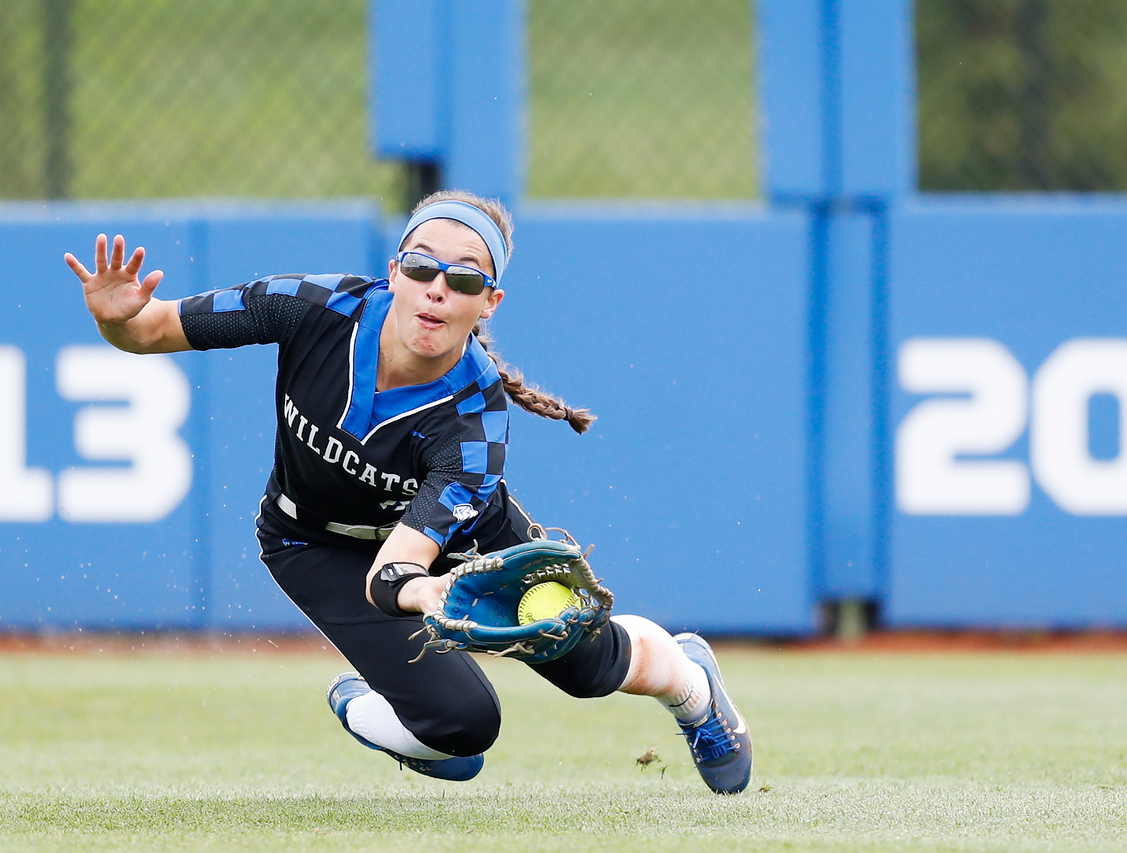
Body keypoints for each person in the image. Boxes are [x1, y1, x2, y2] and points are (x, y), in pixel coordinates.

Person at [65, 190, 753, 793]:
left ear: (490, 301)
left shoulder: (474, 419)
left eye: (463, 279)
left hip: (460, 541)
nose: (436, 288)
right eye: (421, 266)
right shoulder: (314, 307)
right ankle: (404, 718)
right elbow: (149, 329)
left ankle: (692, 685)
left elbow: (398, 565)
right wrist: (116, 319)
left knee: (590, 665)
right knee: (466, 726)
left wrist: (418, 584)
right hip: (308, 543)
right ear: (394, 271)